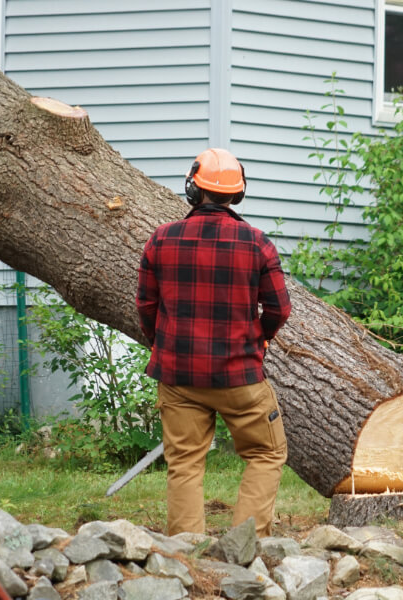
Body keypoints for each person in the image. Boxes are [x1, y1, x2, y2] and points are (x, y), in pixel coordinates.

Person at [136, 148, 292, 537]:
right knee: (267, 453)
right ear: (237, 194)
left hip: (178, 376)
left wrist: (165, 345)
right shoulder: (257, 244)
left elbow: (146, 306)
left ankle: (185, 556)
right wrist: (260, 337)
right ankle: (246, 545)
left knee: (184, 463)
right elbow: (279, 309)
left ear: (193, 187)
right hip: (239, 376)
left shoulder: (161, 239)